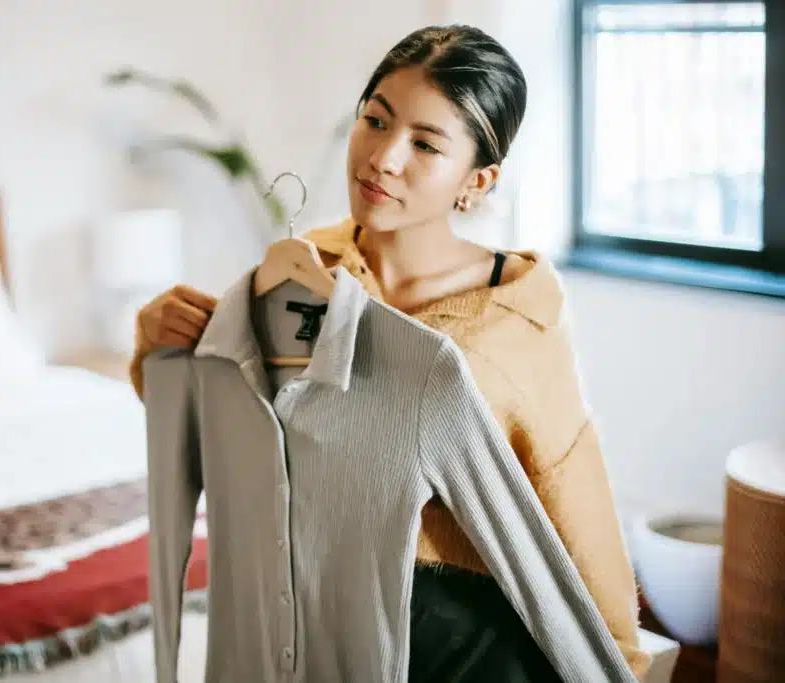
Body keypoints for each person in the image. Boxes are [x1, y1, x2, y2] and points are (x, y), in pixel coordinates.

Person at [129, 24, 650, 682]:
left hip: (451, 641)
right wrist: (156, 353)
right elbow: (239, 433)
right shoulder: (307, 268)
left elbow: (577, 514)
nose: (383, 157)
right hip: (301, 621)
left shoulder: (516, 327)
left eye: (425, 143)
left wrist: (617, 664)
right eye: (375, 120)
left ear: (477, 180)